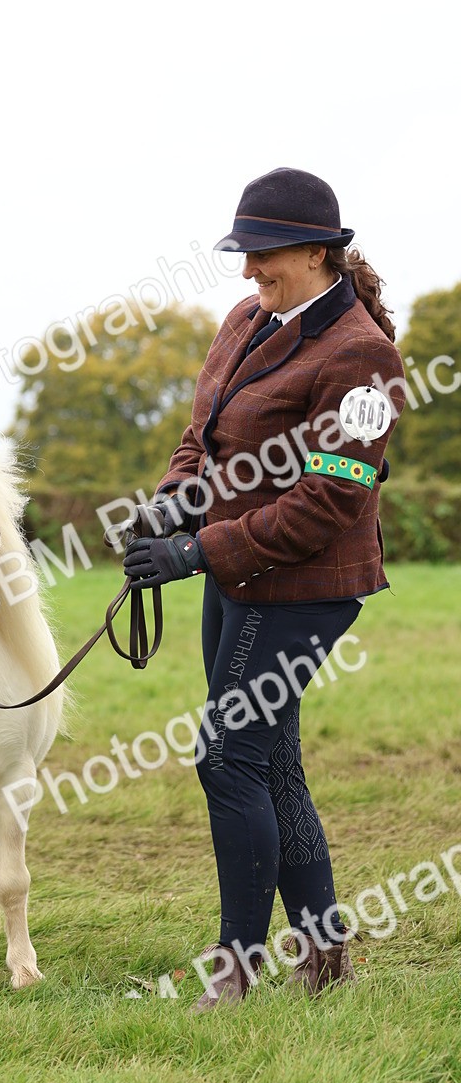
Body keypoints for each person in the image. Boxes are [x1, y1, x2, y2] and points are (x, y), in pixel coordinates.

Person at [122, 167, 405, 1012]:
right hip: (238, 571)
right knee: (269, 757)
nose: (248, 269)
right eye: (243, 253)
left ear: (317, 252)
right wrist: (175, 501)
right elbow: (200, 435)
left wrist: (197, 550)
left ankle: (237, 965)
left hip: (307, 585)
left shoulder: (362, 356)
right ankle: (325, 956)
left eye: (263, 253)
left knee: (226, 756)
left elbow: (332, 500)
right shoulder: (245, 321)